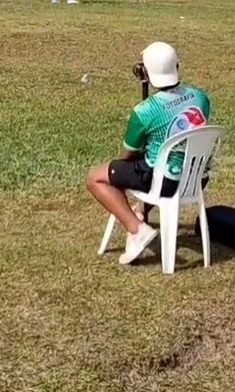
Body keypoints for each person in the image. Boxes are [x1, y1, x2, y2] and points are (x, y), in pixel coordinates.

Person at [85, 42, 212, 265]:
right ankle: (140, 213)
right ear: (177, 66)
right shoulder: (200, 97)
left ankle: (137, 230)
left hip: (165, 182)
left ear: (145, 72)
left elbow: (127, 155)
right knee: (155, 166)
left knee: (95, 177)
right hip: (195, 179)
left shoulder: (145, 111)